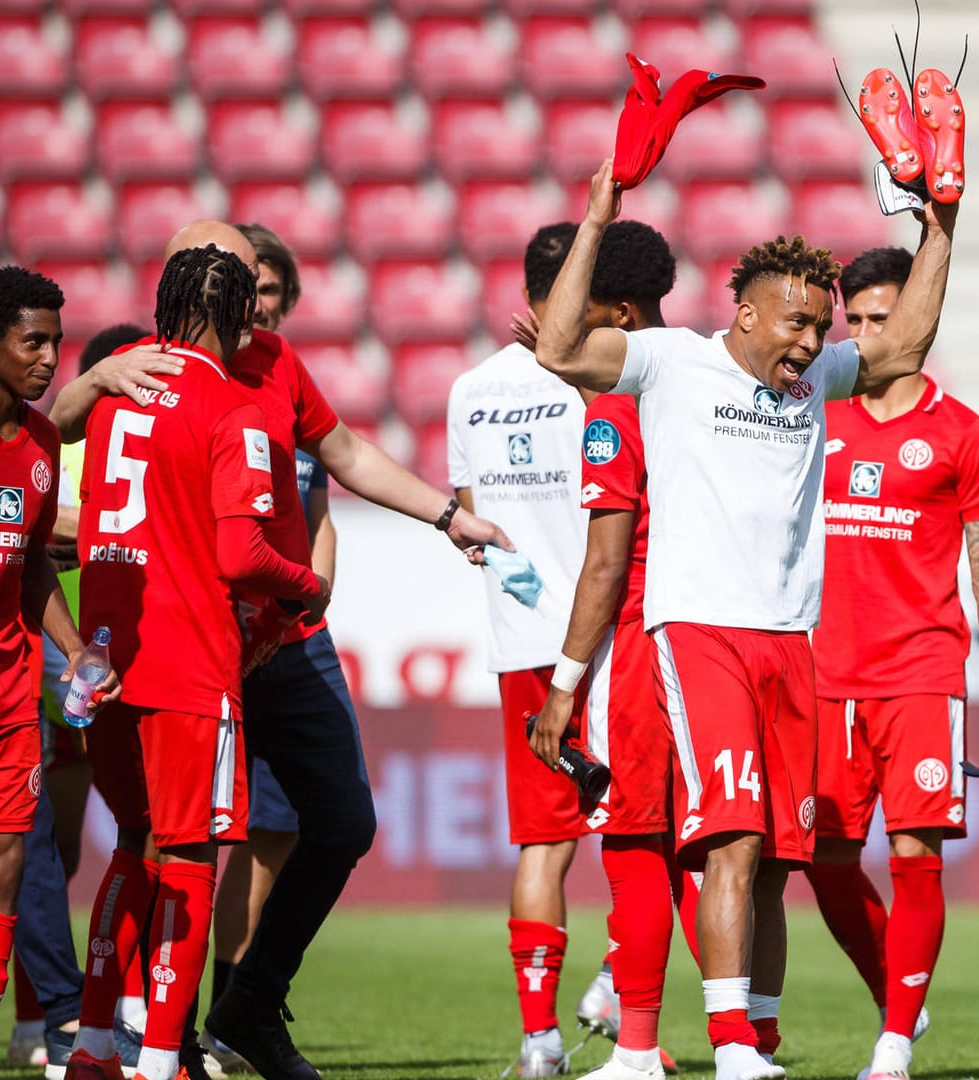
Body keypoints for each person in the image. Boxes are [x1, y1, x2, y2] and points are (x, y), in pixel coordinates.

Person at [536, 160, 957, 1080]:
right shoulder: (672, 361)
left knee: (773, 856)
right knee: (729, 837)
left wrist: (941, 229)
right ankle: (729, 1048)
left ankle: (756, 1040)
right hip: (701, 631)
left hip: (790, 640)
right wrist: (599, 214)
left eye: (823, 323)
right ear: (749, 315)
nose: (814, 340)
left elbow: (907, 348)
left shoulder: (816, 383)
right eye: (798, 322)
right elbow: (561, 347)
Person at [63, 244, 327, 1080]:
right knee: (187, 858)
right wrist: (304, 582)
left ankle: (97, 1046)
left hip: (107, 664)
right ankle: (160, 1062)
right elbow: (244, 553)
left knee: (133, 847)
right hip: (186, 666)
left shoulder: (116, 389)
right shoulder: (238, 406)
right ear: (245, 314)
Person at [798, 245, 979, 1080]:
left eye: (880, 319)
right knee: (825, 863)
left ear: (917, 322)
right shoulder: (811, 418)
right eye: (851, 320)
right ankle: (899, 991)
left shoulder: (963, 434)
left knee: (918, 855)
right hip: (821, 676)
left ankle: (892, 1045)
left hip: (923, 674)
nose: (863, 335)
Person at [527, 219, 703, 1080]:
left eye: (584, 311)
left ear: (622, 315)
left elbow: (605, 558)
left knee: (635, 843)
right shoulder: (715, 376)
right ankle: (750, 1042)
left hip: (635, 646)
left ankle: (633, 1050)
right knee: (717, 850)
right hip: (715, 639)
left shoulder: (617, 402)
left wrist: (563, 685)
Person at [449, 221, 592, 1079]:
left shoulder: (471, 388)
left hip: (520, 639)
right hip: (600, 640)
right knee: (645, 835)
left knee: (544, 843)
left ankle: (539, 1040)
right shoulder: (601, 380)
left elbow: (472, 518)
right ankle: (621, 997)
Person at [204, 222, 337, 1079]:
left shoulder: (288, 373)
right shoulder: (194, 374)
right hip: (217, 637)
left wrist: (310, 597)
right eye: (256, 291)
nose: (267, 305)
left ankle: (240, 1002)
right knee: (205, 832)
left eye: (279, 293)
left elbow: (321, 502)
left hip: (291, 632)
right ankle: (188, 1008)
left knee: (294, 829)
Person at [0, 264, 121, 1065]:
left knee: (12, 851)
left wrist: (74, 650)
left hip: (12, 685)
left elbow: (36, 561)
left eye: (56, 343)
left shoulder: (42, 444)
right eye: (30, 341)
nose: (48, 359)